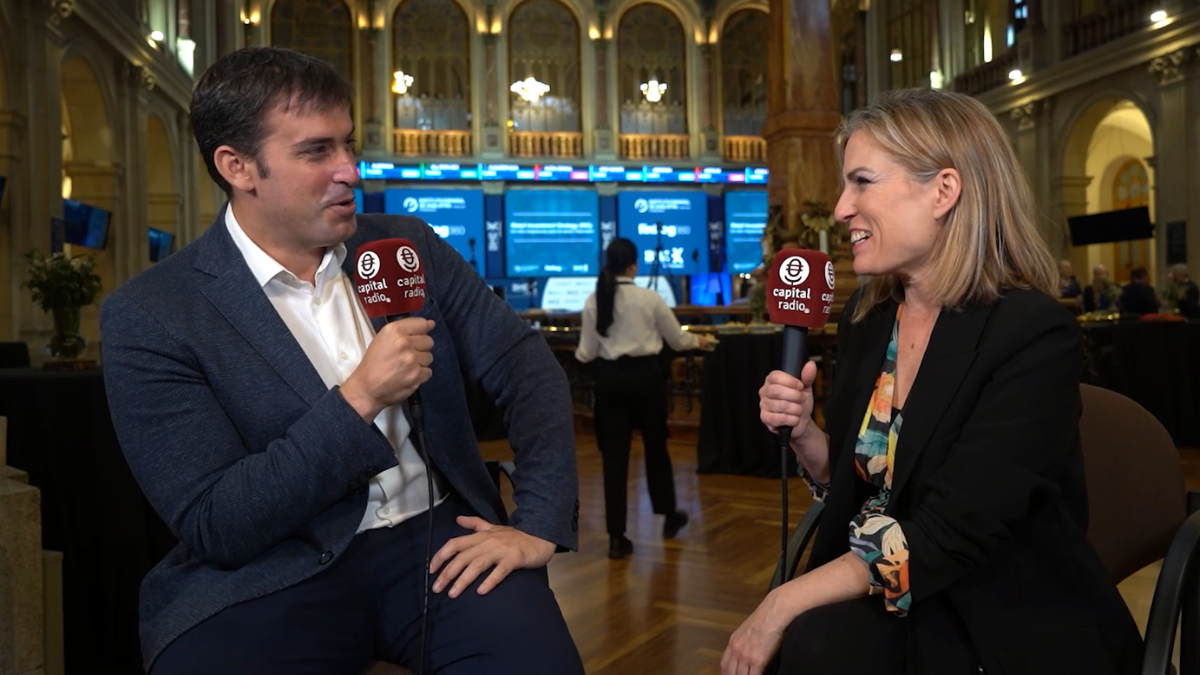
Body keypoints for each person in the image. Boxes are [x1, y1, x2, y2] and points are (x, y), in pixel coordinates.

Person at [100, 47, 583, 675]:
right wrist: (360, 398)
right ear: (238, 166)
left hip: (440, 541)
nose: (350, 170)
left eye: (348, 144)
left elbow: (527, 368)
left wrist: (539, 523)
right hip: (272, 570)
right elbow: (220, 522)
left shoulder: (404, 246)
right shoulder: (153, 313)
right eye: (316, 151)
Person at [723, 88, 1142, 675]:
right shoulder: (868, 320)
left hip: (998, 609)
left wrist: (781, 600)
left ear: (944, 190)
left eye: (862, 181)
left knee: (814, 645)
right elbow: (877, 484)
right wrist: (809, 440)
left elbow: (952, 531)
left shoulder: (1033, 332)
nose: (842, 209)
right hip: (889, 591)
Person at [575, 238, 709, 559]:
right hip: (647, 381)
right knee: (656, 449)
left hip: (610, 383)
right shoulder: (649, 298)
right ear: (634, 265)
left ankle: (617, 538)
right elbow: (676, 340)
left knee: (614, 459)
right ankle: (668, 516)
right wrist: (700, 340)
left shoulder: (595, 300)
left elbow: (586, 353)